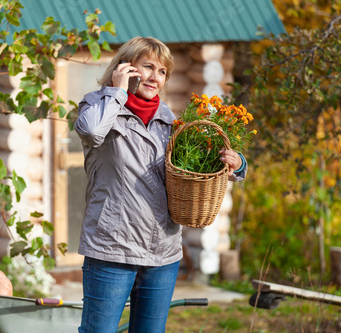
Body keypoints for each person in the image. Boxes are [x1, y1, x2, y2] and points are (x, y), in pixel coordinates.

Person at [74, 36, 247, 333]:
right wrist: (116, 92)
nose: (155, 77)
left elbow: (193, 170)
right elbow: (90, 131)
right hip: (112, 250)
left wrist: (237, 164)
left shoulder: (170, 122)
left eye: (163, 71)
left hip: (162, 253)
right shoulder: (99, 106)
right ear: (125, 68)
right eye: (148, 67)